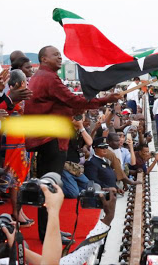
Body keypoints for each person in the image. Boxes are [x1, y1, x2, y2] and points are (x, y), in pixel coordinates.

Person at [24, 45, 121, 243]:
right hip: (51, 140)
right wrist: (104, 100)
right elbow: (73, 100)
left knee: (49, 187)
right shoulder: (49, 78)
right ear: (43, 58)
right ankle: (48, 235)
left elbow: (60, 105)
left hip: (47, 139)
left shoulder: (43, 77)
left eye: (60, 54)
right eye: (55, 55)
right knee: (51, 189)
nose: (60, 57)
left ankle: (50, 231)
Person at [0, 69, 33, 226]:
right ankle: (16, 211)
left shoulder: (15, 97)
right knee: (16, 179)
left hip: (20, 141)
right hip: (14, 143)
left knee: (20, 178)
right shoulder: (10, 99)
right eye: (26, 81)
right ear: (20, 83)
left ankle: (19, 210)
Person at [61, 114, 93, 199]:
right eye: (76, 115)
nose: (78, 118)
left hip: (75, 167)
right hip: (64, 166)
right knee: (73, 194)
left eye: (80, 116)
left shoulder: (82, 130)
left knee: (90, 188)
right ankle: (55, 188)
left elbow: (89, 142)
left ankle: (71, 186)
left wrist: (81, 126)